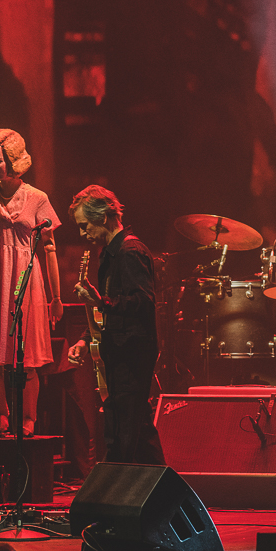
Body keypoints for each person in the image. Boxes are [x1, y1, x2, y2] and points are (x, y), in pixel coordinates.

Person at [0, 129, 64, 436]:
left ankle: (30, 418)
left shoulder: (38, 199)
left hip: (27, 279)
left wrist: (55, 297)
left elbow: (49, 249)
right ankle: (0, 413)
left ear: (13, 159)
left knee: (28, 360)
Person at [67, 184, 164, 464]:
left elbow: (142, 302)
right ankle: (163, 494)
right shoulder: (109, 253)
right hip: (118, 349)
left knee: (123, 430)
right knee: (138, 430)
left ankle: (117, 491)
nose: (82, 233)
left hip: (133, 352)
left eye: (85, 226)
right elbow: (108, 308)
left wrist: (101, 302)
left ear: (104, 217)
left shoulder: (130, 252)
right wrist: (87, 339)